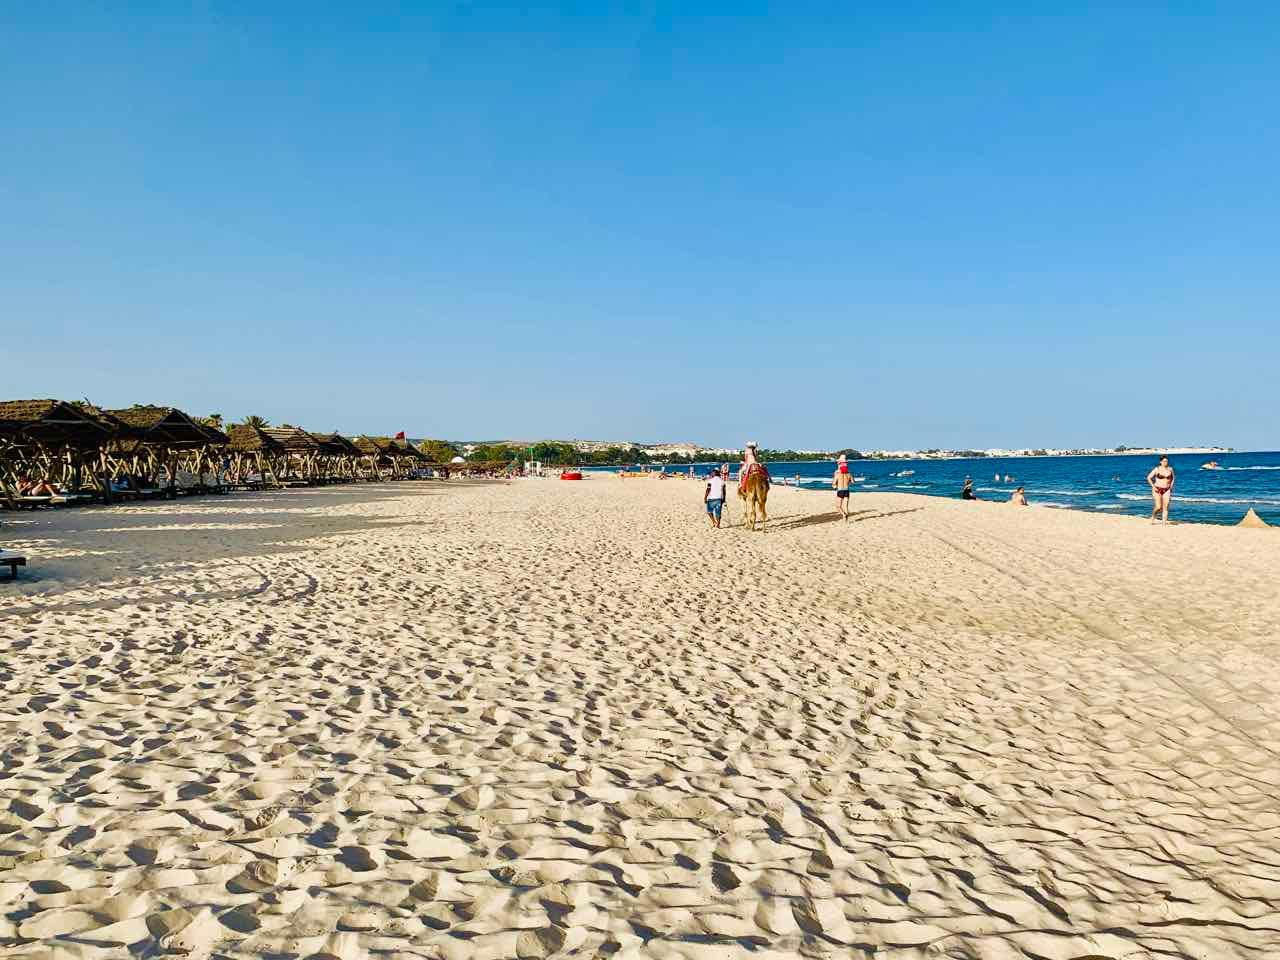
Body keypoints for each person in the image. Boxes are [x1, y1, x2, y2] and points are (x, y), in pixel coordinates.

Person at [1147, 455, 1175, 523]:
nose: (1166, 463)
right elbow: (1149, 478)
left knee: (1166, 506)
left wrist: (1171, 486)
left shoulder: (1170, 469)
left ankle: (1164, 523)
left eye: (1167, 461)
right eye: (1164, 461)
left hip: (1167, 489)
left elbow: (1173, 478)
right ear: (1160, 462)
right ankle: (1153, 517)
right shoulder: (1157, 469)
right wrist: (1153, 486)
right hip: (1157, 489)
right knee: (1158, 507)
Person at [833, 454, 854, 519]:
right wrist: (848, 481)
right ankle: (846, 520)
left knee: (838, 506)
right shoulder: (849, 473)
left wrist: (835, 485)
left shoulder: (837, 473)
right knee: (846, 507)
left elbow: (833, 484)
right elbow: (853, 482)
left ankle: (844, 514)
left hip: (840, 490)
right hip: (847, 490)